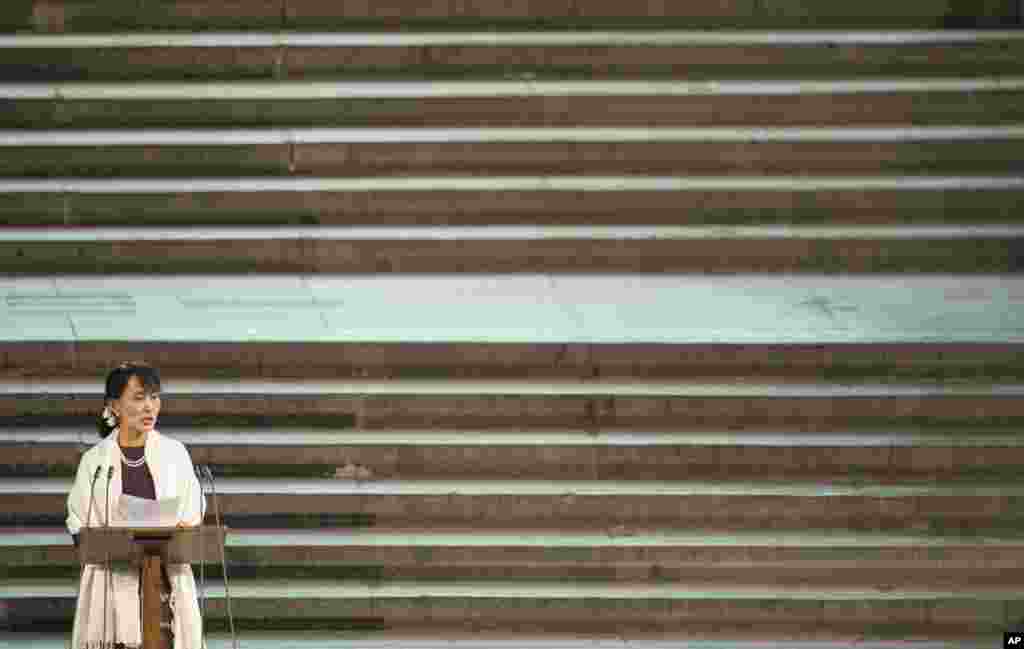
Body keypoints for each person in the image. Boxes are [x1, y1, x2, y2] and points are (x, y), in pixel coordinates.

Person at [65, 361, 205, 649]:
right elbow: (80, 522)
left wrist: (182, 526)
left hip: (165, 582)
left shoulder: (175, 453)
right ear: (114, 406)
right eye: (139, 398)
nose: (149, 407)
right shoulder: (94, 461)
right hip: (112, 584)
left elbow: (192, 510)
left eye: (155, 397)